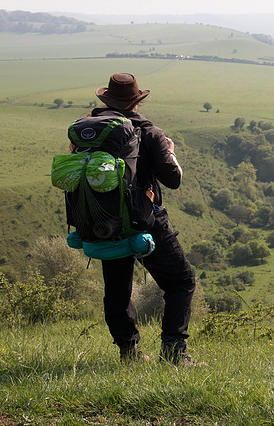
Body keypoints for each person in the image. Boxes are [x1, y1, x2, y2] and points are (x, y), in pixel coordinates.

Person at [92, 73, 197, 365]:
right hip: (145, 219)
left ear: (107, 99)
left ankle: (129, 353)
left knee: (117, 288)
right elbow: (173, 179)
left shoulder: (90, 131)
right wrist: (171, 152)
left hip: (103, 220)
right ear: (137, 101)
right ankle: (174, 352)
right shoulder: (149, 132)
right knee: (181, 281)